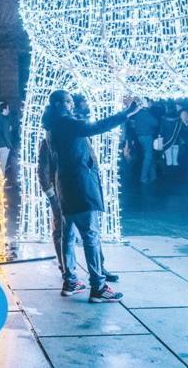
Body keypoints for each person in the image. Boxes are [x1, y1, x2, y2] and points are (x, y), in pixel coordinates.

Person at [45, 89, 140, 302]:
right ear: (60, 105)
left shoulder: (52, 126)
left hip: (65, 185)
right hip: (80, 185)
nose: (72, 105)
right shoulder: (67, 123)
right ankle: (98, 286)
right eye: (69, 101)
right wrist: (127, 113)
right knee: (90, 236)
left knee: (68, 235)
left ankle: (70, 280)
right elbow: (97, 126)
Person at [125, 97, 160, 184]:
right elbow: (155, 123)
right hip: (147, 136)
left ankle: (153, 175)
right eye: (149, 102)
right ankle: (143, 177)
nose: (151, 104)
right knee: (148, 156)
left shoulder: (138, 113)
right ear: (146, 103)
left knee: (149, 154)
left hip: (140, 136)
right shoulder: (145, 113)